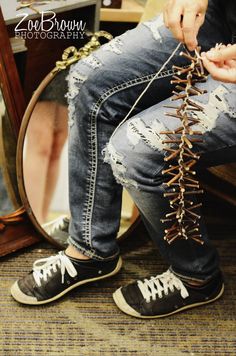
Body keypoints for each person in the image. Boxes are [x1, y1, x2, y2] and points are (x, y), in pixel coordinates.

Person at [11, 0, 236, 319]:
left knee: (134, 147)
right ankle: (90, 251)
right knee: (89, 79)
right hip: (219, 16)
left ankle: (197, 275)